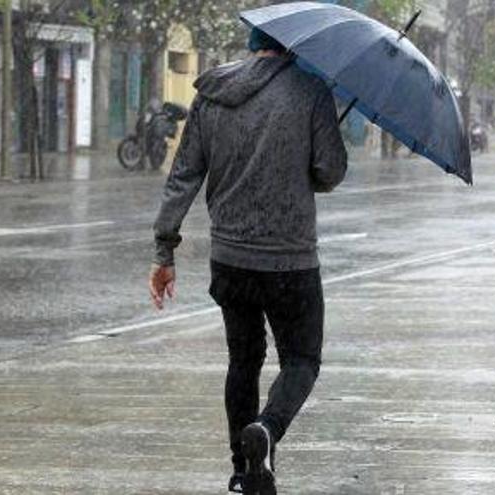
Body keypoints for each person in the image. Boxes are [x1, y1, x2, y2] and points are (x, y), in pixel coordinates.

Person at [148, 27, 347, 494]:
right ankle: (267, 429)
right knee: (301, 360)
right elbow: (331, 171)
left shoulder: (213, 92)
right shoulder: (310, 91)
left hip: (230, 259)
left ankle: (244, 468)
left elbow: (184, 176)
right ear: (292, 46)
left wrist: (165, 251)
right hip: (290, 262)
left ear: (254, 44)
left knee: (244, 360)